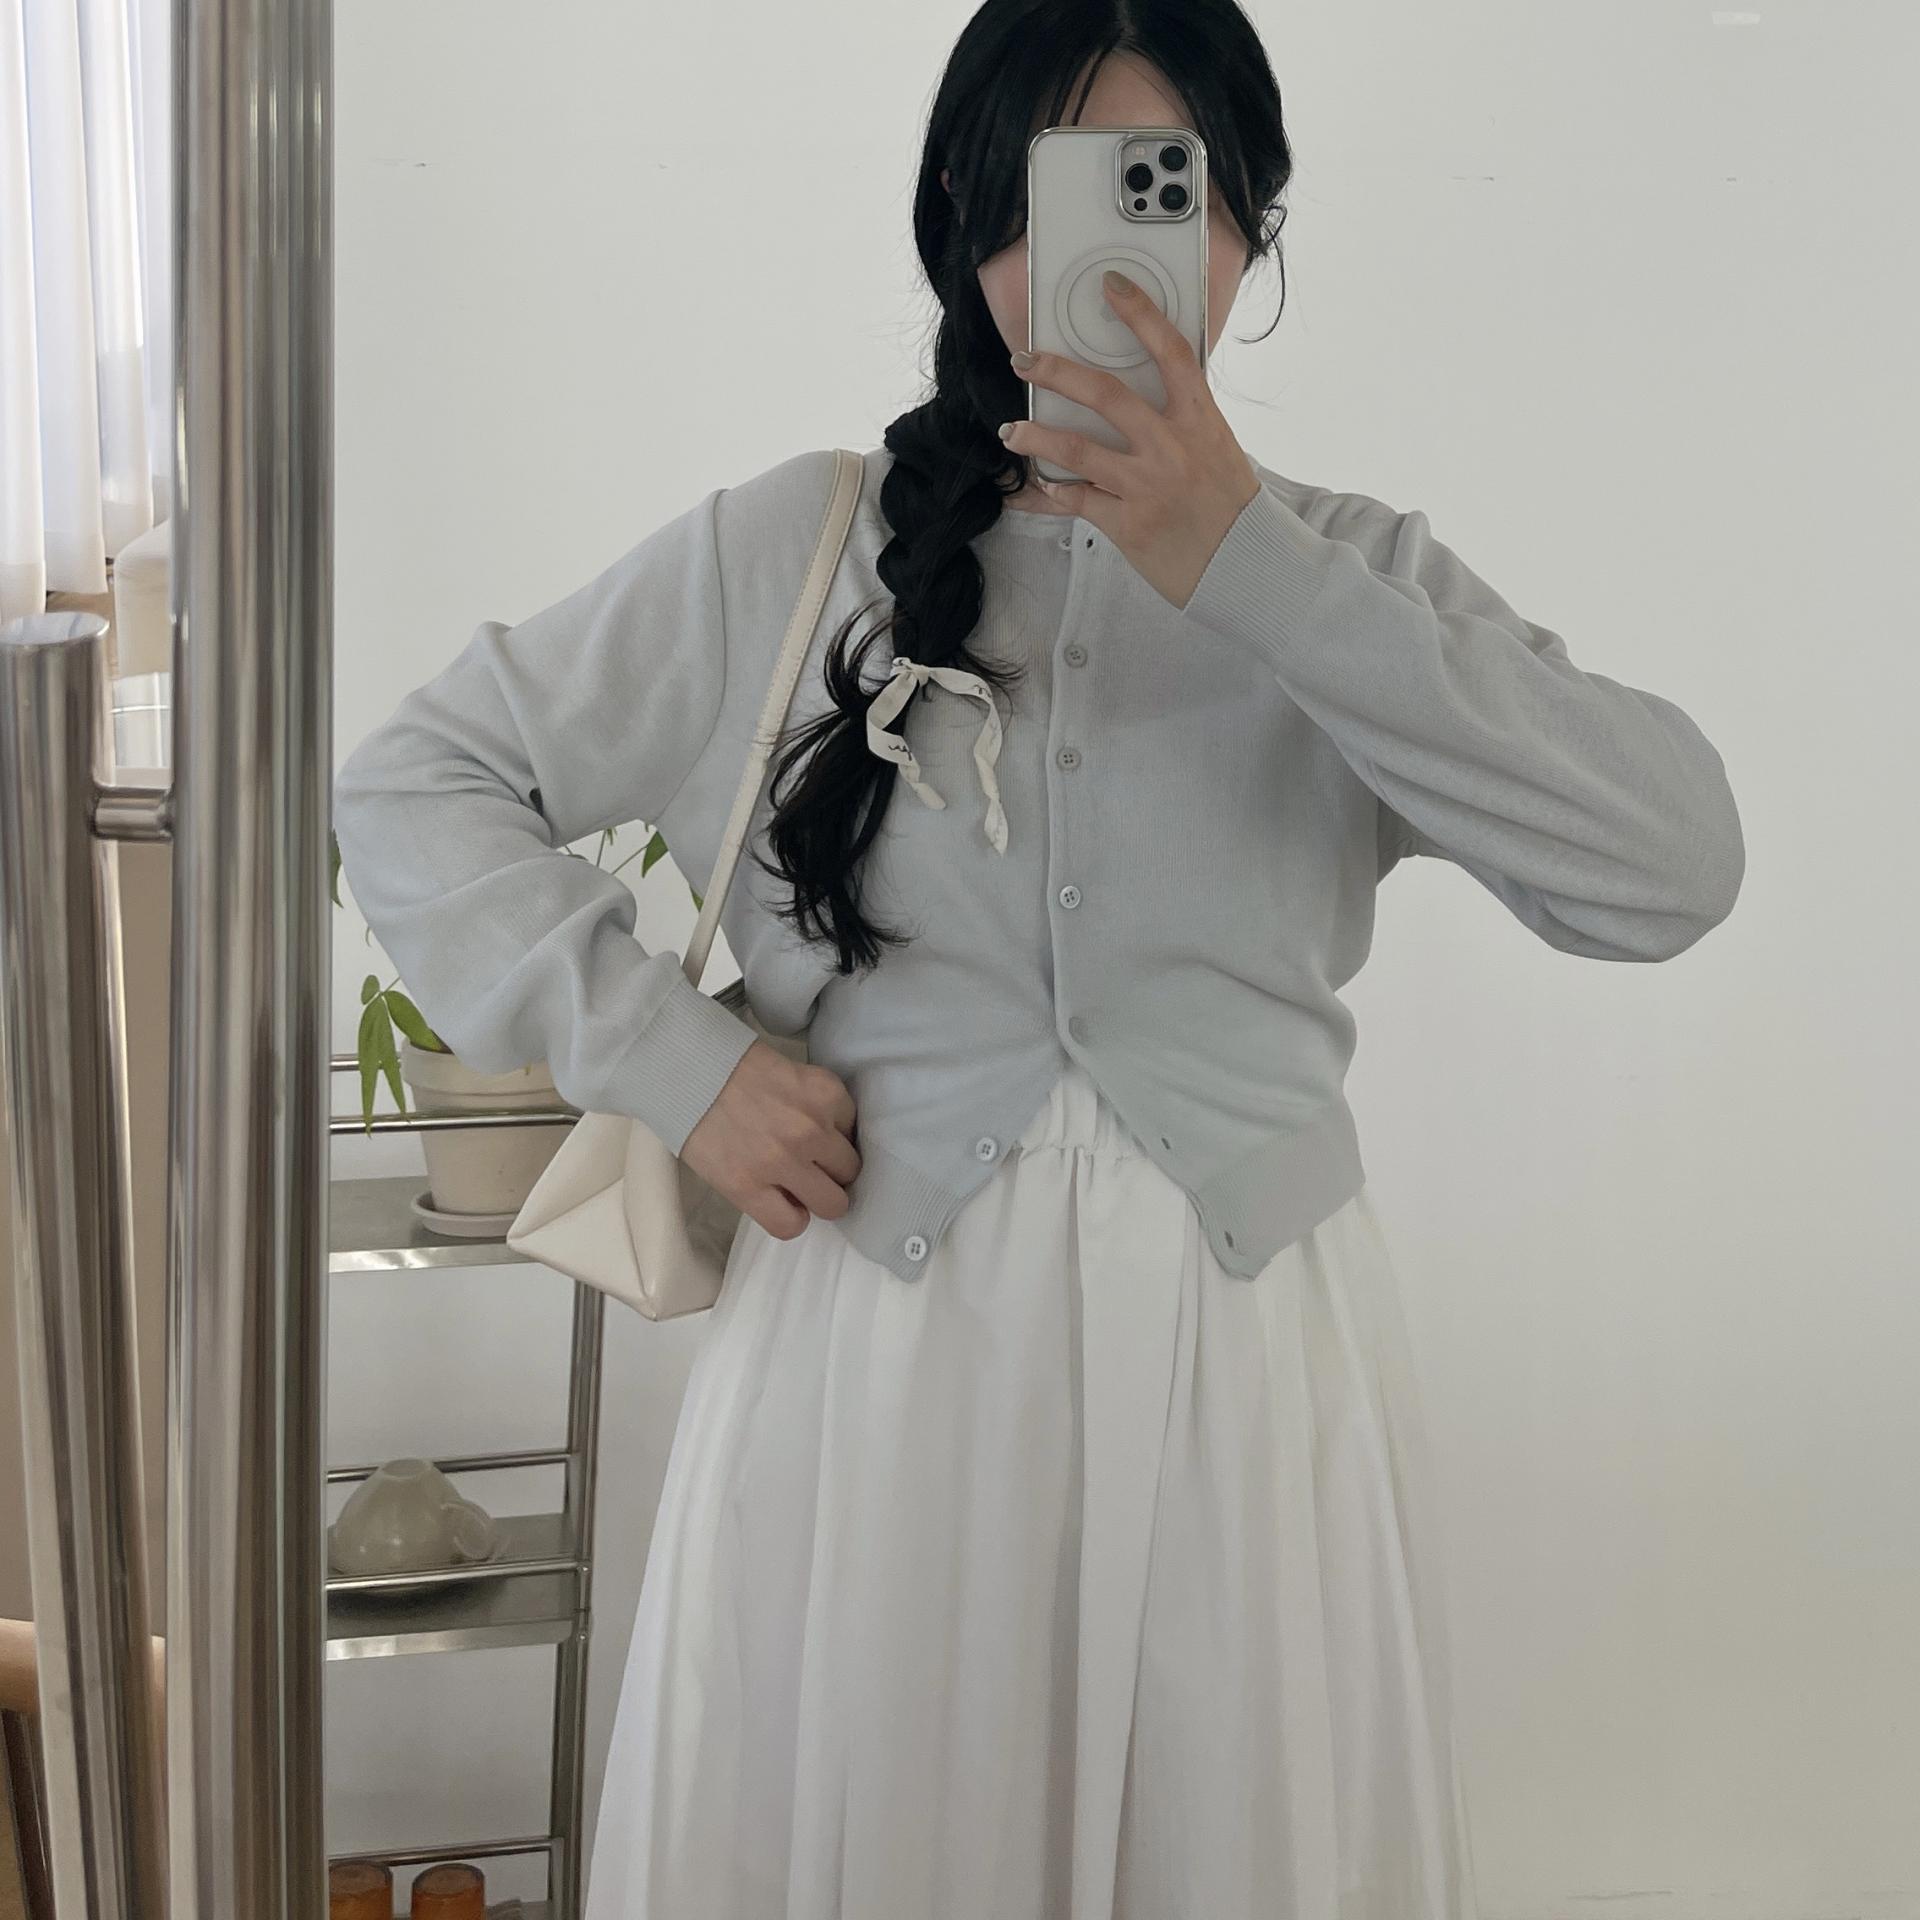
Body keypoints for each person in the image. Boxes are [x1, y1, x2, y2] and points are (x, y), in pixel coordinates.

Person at [332, 4, 1745, 1916]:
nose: (1097, 259)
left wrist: (1250, 563)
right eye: (1034, 195)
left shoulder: (1357, 583)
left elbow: (1672, 865)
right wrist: (677, 1064)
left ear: (1248, 231)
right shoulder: (793, 550)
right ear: (961, 224)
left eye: (1162, 195)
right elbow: (413, 785)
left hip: (1247, 1393)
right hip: (877, 1388)